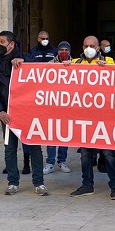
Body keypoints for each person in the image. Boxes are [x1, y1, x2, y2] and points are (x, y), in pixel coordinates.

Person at [0, 30, 48, 196]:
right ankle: (13, 182)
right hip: (7, 115)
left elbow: (43, 73)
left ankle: (39, 182)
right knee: (10, 149)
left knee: (35, 148)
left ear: (11, 44)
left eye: (2, 42)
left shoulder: (27, 58)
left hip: (28, 113)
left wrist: (25, 62)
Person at [66, 35, 115, 200]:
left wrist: (108, 69)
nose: (88, 48)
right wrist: (64, 68)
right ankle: (87, 185)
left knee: (108, 153)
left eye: (92, 45)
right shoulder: (76, 63)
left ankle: (114, 186)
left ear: (98, 48)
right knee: (85, 154)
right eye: (85, 45)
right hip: (84, 118)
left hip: (104, 118)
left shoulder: (109, 62)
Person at [44, 41, 73, 174]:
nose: (64, 52)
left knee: (64, 134)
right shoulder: (50, 65)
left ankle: (62, 161)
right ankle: (50, 162)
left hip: (68, 106)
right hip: (53, 105)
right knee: (51, 134)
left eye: (66, 49)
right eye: (61, 49)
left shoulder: (76, 64)